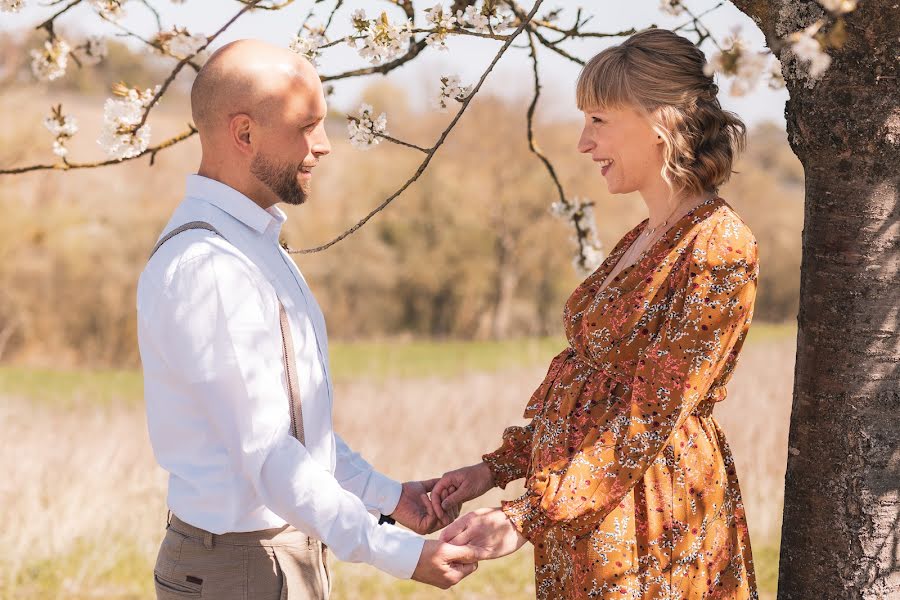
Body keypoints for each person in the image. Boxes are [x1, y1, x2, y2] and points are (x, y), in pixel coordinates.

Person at [136, 39, 476, 600]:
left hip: (273, 555)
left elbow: (294, 426)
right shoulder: (212, 268)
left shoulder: (254, 244)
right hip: (240, 567)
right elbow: (268, 453)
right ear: (244, 134)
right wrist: (398, 552)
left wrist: (388, 496)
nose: (323, 147)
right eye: (307, 126)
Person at [430, 28, 760, 599]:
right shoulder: (642, 236)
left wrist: (524, 515)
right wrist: (497, 469)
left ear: (663, 123)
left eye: (599, 121)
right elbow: (589, 389)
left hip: (649, 512)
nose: (583, 144)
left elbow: (649, 416)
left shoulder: (718, 244)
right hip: (582, 500)